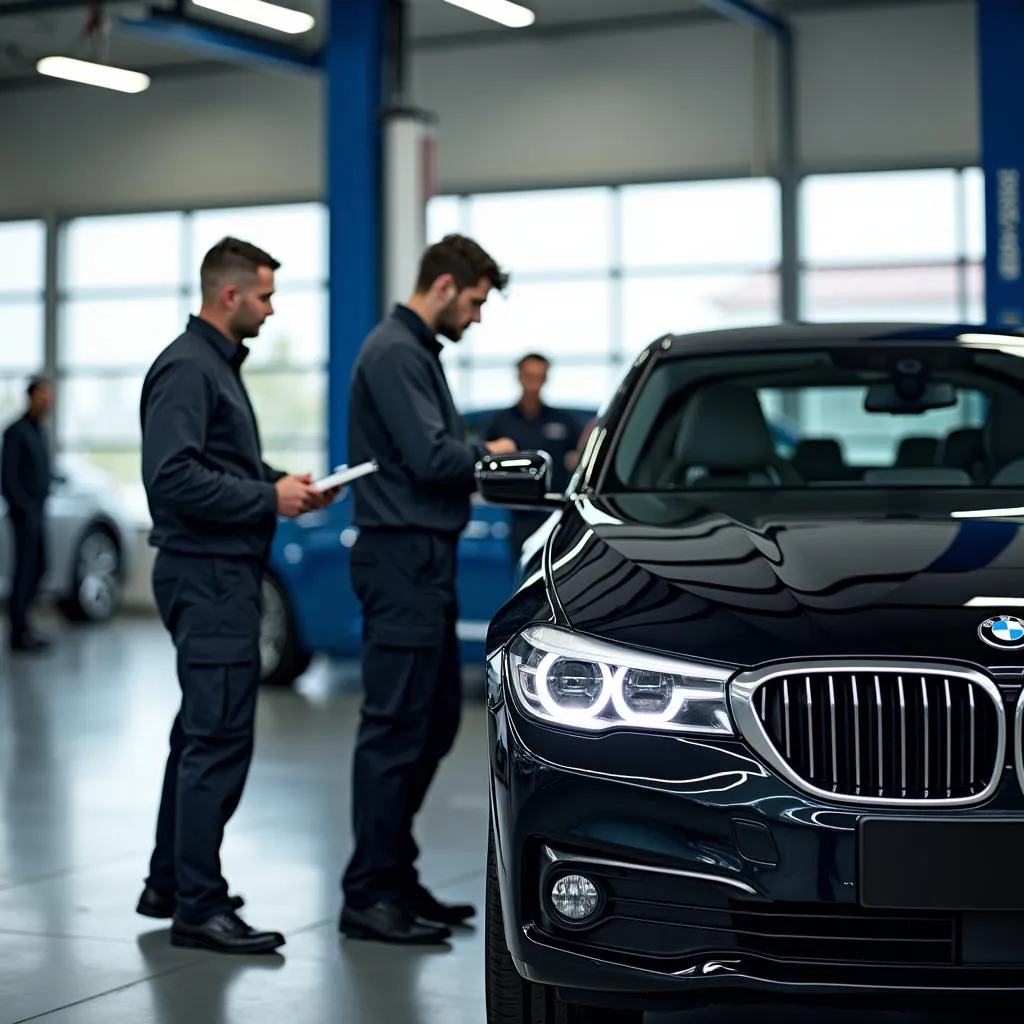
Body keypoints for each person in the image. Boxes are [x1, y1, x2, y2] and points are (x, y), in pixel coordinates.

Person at [137, 237, 336, 955]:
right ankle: (199, 906)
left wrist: (284, 487)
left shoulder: (214, 368)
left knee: (198, 734)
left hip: (218, 572)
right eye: (265, 295)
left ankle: (170, 881)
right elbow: (172, 478)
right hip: (207, 576)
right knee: (217, 741)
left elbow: (224, 465)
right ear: (230, 296)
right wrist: (264, 495)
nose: (272, 308)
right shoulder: (189, 370)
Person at [340, 234, 517, 945]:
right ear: (444, 285)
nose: (476, 318)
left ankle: (395, 873)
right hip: (400, 559)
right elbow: (431, 456)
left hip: (423, 561)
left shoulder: (415, 353)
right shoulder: (393, 352)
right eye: (474, 303)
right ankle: (368, 891)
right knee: (393, 728)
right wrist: (491, 456)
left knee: (434, 718)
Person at [483, 353, 585, 558]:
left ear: (546, 378)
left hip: (556, 513)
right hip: (516, 514)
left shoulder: (563, 420)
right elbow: (481, 458)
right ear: (519, 377)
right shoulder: (501, 421)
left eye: (539, 377)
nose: (534, 383)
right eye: (529, 376)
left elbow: (584, 453)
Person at [1, 376, 54, 653]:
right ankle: (18, 632)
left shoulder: (40, 431)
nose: (48, 401)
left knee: (40, 569)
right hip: (25, 515)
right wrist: (24, 507)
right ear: (31, 397)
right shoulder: (16, 432)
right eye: (43, 395)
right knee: (23, 572)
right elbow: (8, 477)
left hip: (39, 511)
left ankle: (25, 625)